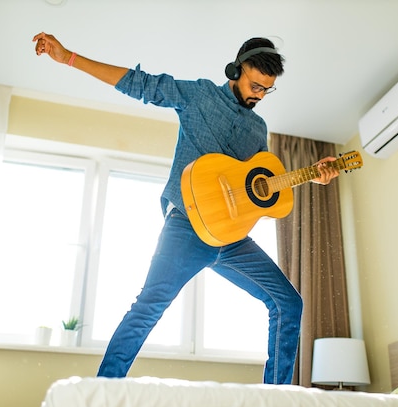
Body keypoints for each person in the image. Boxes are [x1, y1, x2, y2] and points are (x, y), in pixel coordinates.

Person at [32, 32, 340, 384]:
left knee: (289, 303)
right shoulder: (199, 95)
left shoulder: (259, 129)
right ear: (236, 70)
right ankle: (105, 387)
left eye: (266, 89)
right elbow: (140, 84)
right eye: (255, 84)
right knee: (149, 306)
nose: (259, 94)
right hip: (187, 226)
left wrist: (310, 176)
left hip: (232, 240)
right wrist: (70, 56)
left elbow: (258, 186)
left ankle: (276, 397)